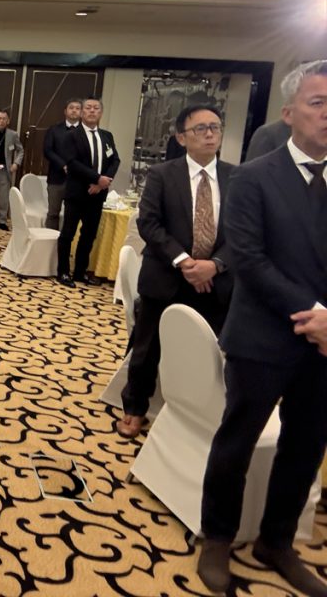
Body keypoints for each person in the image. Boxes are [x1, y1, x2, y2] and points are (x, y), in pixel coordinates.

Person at [198, 60, 327, 597]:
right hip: (263, 337)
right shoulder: (253, 177)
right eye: (319, 103)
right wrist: (316, 313)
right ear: (290, 113)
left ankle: (277, 541)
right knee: (237, 442)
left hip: (324, 346)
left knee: (307, 446)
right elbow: (250, 261)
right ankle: (217, 538)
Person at [115, 105, 234, 439]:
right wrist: (184, 262)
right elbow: (149, 224)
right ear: (182, 138)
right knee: (147, 348)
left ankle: (198, 412)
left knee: (213, 353)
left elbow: (246, 231)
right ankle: (134, 408)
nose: (210, 134)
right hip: (167, 277)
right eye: (201, 129)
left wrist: (214, 265)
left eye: (215, 127)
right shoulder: (163, 174)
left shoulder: (237, 177)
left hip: (216, 282)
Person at [56, 97, 120, 287]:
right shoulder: (72, 136)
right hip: (77, 193)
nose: (92, 111)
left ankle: (80, 272)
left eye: (96, 108)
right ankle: (63, 272)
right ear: (82, 112)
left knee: (89, 235)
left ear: (101, 112)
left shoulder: (107, 136)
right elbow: (72, 163)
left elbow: (115, 160)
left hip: (97, 195)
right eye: (88, 108)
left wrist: (102, 183)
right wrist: (96, 178)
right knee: (68, 234)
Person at [42, 98, 82, 229]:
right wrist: (63, 165)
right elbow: (48, 150)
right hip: (56, 178)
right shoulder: (54, 129)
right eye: (71, 108)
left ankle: (66, 241)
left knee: (72, 215)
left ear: (81, 112)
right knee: (53, 213)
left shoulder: (85, 132)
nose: (74, 111)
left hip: (77, 180)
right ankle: (50, 240)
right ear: (65, 111)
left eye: (77, 108)